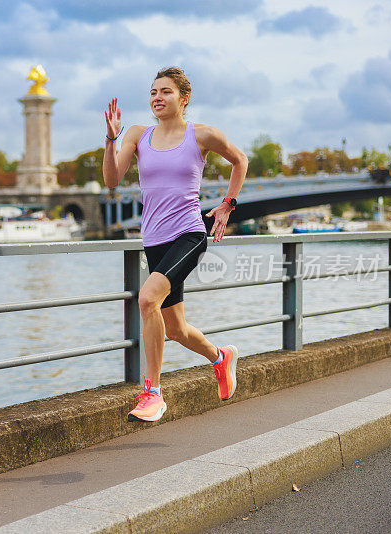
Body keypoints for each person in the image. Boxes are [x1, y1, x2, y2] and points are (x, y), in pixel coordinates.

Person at [102, 66, 248, 422]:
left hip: (188, 234)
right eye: (153, 92)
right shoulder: (138, 134)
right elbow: (110, 181)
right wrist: (111, 140)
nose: (157, 98)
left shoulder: (201, 135)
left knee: (147, 299)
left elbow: (240, 161)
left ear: (184, 99)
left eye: (166, 92)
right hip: (154, 239)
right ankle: (220, 357)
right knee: (176, 329)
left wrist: (227, 206)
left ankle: (153, 392)